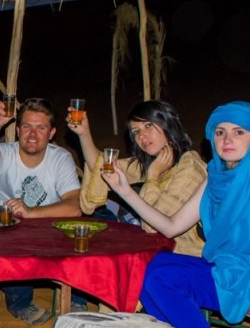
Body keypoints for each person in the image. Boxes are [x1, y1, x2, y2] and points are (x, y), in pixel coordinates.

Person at [102, 100, 250, 328]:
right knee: (143, 265)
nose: (227, 140)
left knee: (162, 278)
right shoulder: (215, 177)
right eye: (220, 132)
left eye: (239, 132)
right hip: (230, 267)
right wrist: (125, 191)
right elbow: (171, 226)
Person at [0, 97, 83, 325]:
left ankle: (76, 298)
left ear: (51, 133)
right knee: (13, 239)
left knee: (82, 232)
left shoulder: (60, 158)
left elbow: (75, 207)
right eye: (26, 126)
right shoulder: (6, 154)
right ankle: (20, 303)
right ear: (17, 130)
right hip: (10, 230)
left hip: (49, 228)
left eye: (40, 128)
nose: (32, 134)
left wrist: (31, 211)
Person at [70, 100, 206, 256]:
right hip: (159, 251)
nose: (142, 135)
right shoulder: (156, 162)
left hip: (185, 256)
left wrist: (152, 177)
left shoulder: (189, 169)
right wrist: (84, 133)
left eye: (148, 125)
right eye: (136, 132)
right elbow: (101, 167)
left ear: (168, 124)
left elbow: (153, 227)